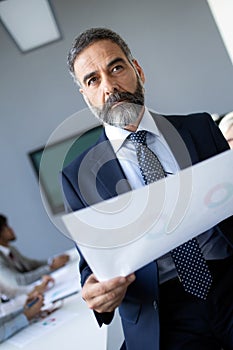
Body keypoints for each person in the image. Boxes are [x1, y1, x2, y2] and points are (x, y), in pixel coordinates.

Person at [61, 27, 233, 350]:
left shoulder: (199, 128)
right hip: (162, 313)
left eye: (116, 68)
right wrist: (95, 291)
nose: (109, 87)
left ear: (137, 71)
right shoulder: (78, 177)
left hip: (226, 282)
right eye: (93, 80)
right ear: (86, 96)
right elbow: (92, 266)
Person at [0, 214, 69, 287]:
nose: (11, 229)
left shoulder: (11, 249)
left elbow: (31, 264)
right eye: (6, 227)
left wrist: (52, 261)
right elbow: (19, 281)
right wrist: (51, 267)